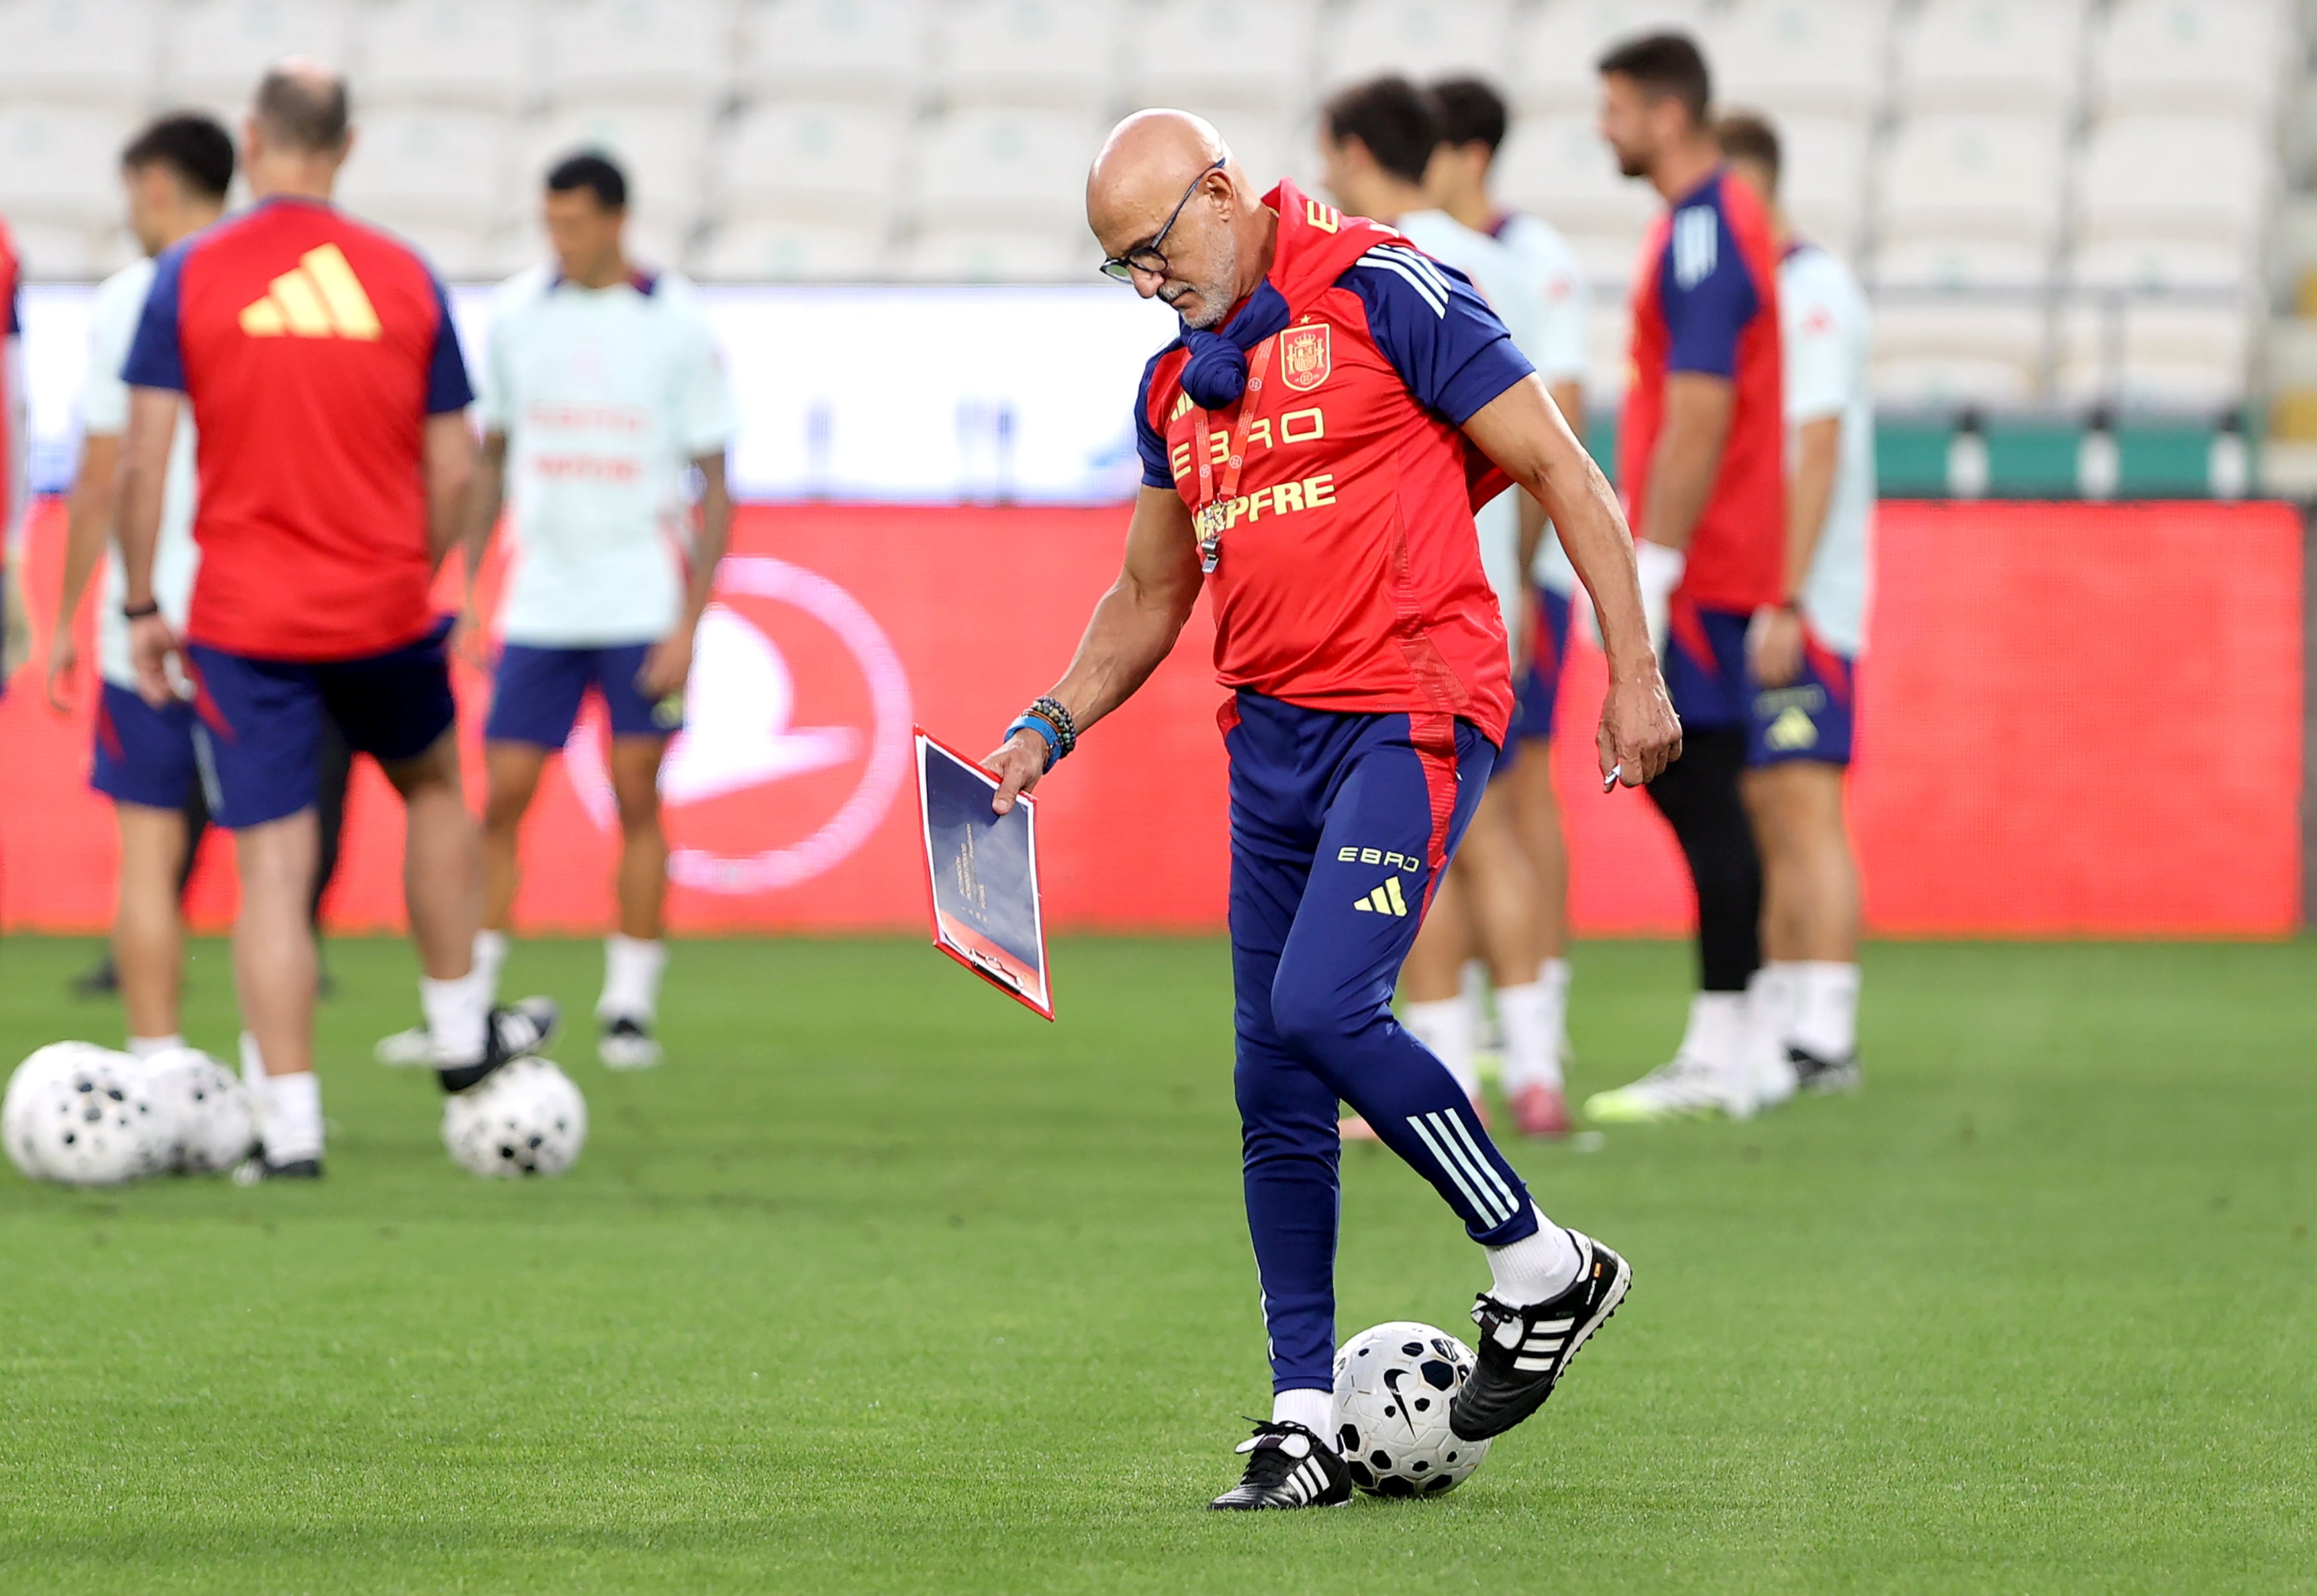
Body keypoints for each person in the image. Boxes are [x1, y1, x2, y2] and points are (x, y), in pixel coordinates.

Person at [984, 109, 1681, 1509]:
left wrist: (1632, 673)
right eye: (1119, 266)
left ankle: (1542, 1267)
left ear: (1223, 195)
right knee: (1271, 1083)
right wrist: (1047, 722)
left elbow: (1560, 466)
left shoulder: (1384, 286)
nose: (1145, 284)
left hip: (1409, 712)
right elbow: (1150, 595)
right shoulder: (1175, 387)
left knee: (1320, 1013)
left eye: (1152, 249)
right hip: (1272, 742)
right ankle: (1301, 1419)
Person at [116, 60, 553, 1181]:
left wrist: (139, 603)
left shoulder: (190, 276)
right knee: (437, 787)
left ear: (253, 141)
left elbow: (146, 462)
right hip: (382, 606)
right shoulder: (406, 278)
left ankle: (294, 1131)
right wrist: (414, 564)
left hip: (245, 616)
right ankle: (459, 1036)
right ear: (347, 148)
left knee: (273, 864)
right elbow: (456, 466)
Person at [389, 152, 732, 1071]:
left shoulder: (677, 322)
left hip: (638, 601)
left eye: (574, 222)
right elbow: (490, 460)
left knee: (637, 797)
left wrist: (690, 621)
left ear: (617, 221)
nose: (560, 239)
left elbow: (715, 485)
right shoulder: (517, 316)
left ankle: (628, 1007)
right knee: (496, 800)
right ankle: (468, 1005)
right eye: (550, 222)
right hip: (539, 600)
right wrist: (466, 592)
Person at [1314, 75, 1570, 1139]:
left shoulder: (1364, 268)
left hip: (1404, 614)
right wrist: (1520, 582)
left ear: (1357, 151)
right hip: (1499, 593)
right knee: (1504, 829)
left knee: (1410, 844)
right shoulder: (1507, 260)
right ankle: (1539, 1062)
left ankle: (1440, 1070)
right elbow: (1548, 432)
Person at [1582, 33, 1791, 1125]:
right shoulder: (1704, 223)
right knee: (1711, 798)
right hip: (1716, 560)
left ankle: (1727, 1047)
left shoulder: (1706, 226)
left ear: (1667, 114)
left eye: (1614, 108)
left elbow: (1701, 410)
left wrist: (1650, 569)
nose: (1603, 127)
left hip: (1704, 567)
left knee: (1703, 796)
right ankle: (1743, 1041)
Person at [1429, 75, 1593, 1123]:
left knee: (1510, 807)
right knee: (1486, 815)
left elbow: (1559, 427)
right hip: (1503, 580)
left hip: (1508, 583)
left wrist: (1531, 580)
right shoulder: (1493, 262)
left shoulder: (1531, 263)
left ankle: (1532, 1029)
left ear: (1466, 155)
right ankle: (1518, 1043)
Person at [1717, 111, 1868, 1093]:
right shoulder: (1758, 294)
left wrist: (1786, 596)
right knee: (1765, 800)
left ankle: (1828, 1030)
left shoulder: (1810, 290)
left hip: (1804, 597)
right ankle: (1778, 1016)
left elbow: (1816, 448)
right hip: (1768, 590)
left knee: (1804, 801)